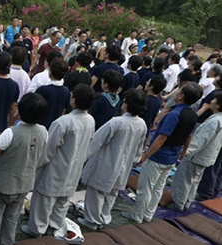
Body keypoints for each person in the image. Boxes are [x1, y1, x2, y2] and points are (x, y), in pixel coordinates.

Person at [0, 93, 48, 245]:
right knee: (12, 217)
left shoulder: (11, 133)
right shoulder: (44, 131)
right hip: (25, 183)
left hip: (3, 183)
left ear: (19, 110)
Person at [22, 83, 95, 237]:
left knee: (43, 201)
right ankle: (54, 226)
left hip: (56, 167)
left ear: (73, 100)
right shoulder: (90, 120)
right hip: (74, 168)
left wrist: (36, 165)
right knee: (63, 201)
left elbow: (49, 150)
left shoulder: (63, 122)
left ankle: (36, 229)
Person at [122, 83, 201, 223]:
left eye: (179, 91)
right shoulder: (192, 115)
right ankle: (148, 214)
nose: (176, 93)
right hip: (172, 157)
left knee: (145, 187)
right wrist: (182, 153)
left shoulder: (174, 114)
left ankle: (138, 215)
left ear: (181, 96)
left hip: (159, 156)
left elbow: (162, 138)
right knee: (158, 187)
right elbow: (189, 136)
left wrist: (146, 156)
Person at [79, 89, 148, 230]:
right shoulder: (141, 124)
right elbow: (139, 148)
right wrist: (136, 159)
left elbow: (96, 141)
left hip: (107, 162)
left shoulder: (117, 122)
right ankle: (104, 218)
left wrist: (82, 157)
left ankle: (92, 221)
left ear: (127, 104)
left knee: (96, 192)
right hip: (124, 164)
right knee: (112, 193)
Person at [169, 91, 222, 211]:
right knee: (194, 181)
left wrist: (185, 152)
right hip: (207, 157)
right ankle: (187, 202)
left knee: (185, 181)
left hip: (197, 156)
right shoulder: (218, 119)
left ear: (218, 105)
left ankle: (179, 204)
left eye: (214, 100)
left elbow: (200, 140)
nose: (211, 102)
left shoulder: (214, 121)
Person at [35, 58, 71, 129]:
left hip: (40, 126)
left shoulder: (42, 89)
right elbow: (64, 110)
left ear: (50, 72)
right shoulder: (66, 91)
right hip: (56, 126)